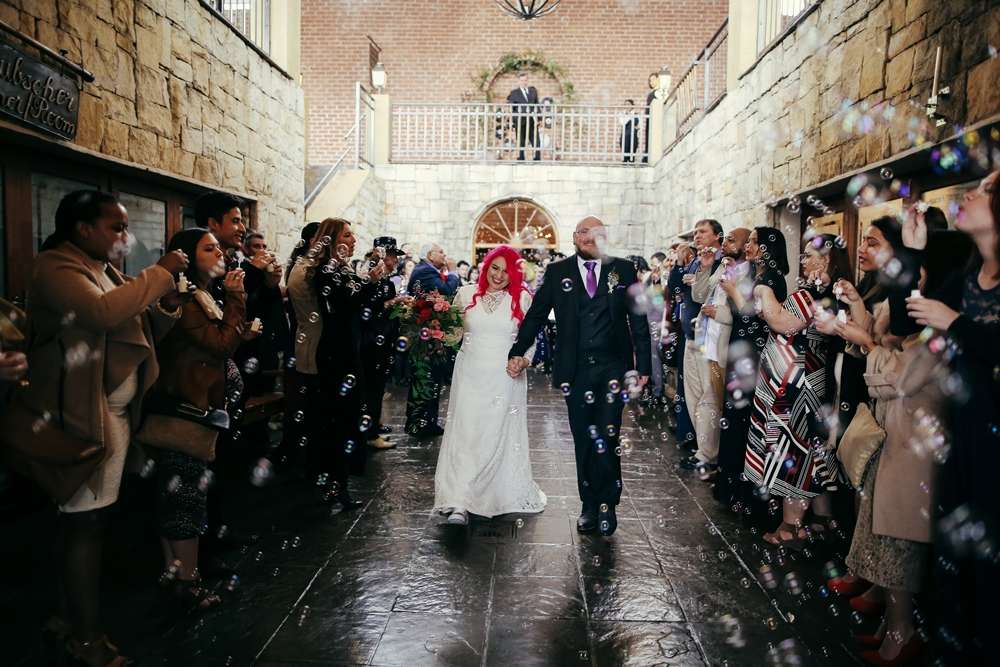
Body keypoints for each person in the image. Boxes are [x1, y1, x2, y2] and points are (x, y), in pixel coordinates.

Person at [23, 190, 187, 666]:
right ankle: (86, 639)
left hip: (108, 416)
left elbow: (136, 323)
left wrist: (165, 303)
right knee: (84, 525)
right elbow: (100, 313)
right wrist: (159, 272)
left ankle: (65, 619)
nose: (123, 235)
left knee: (86, 523)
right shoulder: (56, 267)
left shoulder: (102, 268)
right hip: (80, 418)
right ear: (82, 229)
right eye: (115, 227)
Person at [896, 170, 999, 666]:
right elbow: (907, 321)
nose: (971, 193)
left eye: (986, 190)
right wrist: (913, 253)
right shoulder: (968, 273)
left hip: (995, 444)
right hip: (964, 436)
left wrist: (955, 323)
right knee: (957, 568)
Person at [507, 216, 652, 537]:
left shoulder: (623, 270)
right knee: (584, 438)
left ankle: (608, 504)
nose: (590, 237)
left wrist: (643, 367)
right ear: (574, 237)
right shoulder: (557, 272)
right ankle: (589, 503)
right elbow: (536, 314)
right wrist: (517, 350)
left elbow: (639, 319)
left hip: (613, 366)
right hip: (576, 370)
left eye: (597, 232)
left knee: (608, 436)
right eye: (584, 232)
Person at [144, 228, 249, 612]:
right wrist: (237, 298)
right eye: (210, 248)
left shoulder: (202, 295)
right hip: (185, 414)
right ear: (188, 257)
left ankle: (177, 577)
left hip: (197, 412)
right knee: (184, 498)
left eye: (218, 248)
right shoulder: (187, 302)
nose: (220, 253)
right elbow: (220, 345)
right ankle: (186, 583)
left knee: (182, 497)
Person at [742, 232, 852, 547]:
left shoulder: (814, 294)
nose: (803, 261)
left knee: (794, 450)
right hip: (806, 380)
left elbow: (782, 323)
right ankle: (821, 518)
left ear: (827, 260)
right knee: (814, 450)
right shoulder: (827, 292)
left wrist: (762, 287)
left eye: (808, 255)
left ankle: (791, 527)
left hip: (797, 386)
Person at [434, 245, 547, 525]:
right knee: (466, 432)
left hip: (505, 375)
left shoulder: (522, 298)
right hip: (469, 373)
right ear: (486, 267)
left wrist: (523, 360)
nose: (499, 275)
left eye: (506, 271)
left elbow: (530, 339)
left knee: (495, 432)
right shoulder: (465, 294)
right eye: (494, 268)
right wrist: (436, 327)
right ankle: (459, 499)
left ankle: (493, 491)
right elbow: (454, 335)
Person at [313, 217, 386, 510]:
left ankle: (340, 484)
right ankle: (335, 487)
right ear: (331, 239)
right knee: (338, 420)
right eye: (347, 235)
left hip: (348, 349)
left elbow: (359, 302)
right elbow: (345, 304)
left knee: (348, 418)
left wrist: (370, 283)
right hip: (336, 353)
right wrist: (369, 282)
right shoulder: (326, 271)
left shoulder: (341, 269)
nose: (353, 240)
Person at [713, 227, 788, 507]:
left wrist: (733, 291)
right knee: (733, 418)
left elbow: (756, 318)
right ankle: (729, 485)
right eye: (751, 241)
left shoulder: (772, 279)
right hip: (741, 352)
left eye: (756, 241)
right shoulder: (755, 275)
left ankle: (743, 491)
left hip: (755, 358)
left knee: (744, 421)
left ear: (770, 248)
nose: (749, 246)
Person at [683, 227, 751, 477]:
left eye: (732, 240)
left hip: (722, 346)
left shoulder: (749, 274)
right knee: (700, 400)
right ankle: (706, 452)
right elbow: (700, 295)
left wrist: (719, 313)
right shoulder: (722, 267)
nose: (725, 243)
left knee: (711, 403)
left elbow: (749, 314)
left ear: (745, 246)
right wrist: (705, 267)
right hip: (704, 340)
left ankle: (709, 456)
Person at [678, 219, 724, 469]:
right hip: (691, 335)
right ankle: (702, 448)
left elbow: (703, 296)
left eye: (702, 232)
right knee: (693, 395)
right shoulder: (697, 260)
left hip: (709, 340)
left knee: (708, 397)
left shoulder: (721, 262)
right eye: (695, 232)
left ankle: (709, 454)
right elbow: (688, 291)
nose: (697, 236)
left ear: (717, 235)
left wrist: (702, 273)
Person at [404, 243, 460, 437]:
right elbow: (446, 289)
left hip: (431, 333)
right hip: (423, 335)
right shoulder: (424, 271)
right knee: (424, 378)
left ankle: (429, 421)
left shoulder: (428, 270)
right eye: (441, 251)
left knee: (432, 378)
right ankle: (417, 423)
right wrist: (453, 272)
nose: (445, 254)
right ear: (429, 254)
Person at [362, 237, 405, 449]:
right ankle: (370, 435)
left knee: (378, 388)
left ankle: (374, 427)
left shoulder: (386, 281)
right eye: (393, 256)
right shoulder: (372, 280)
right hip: (372, 342)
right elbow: (370, 309)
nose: (396, 260)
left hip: (384, 341)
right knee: (372, 388)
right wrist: (394, 302)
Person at [506, 71, 539, 161]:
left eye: (525, 80)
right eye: (521, 80)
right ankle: (521, 157)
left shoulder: (533, 91)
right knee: (521, 139)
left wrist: (539, 119)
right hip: (520, 120)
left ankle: (537, 157)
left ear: (527, 81)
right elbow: (511, 107)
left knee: (535, 139)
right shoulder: (514, 93)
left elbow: (537, 104)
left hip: (531, 119)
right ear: (518, 81)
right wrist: (512, 121)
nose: (524, 82)